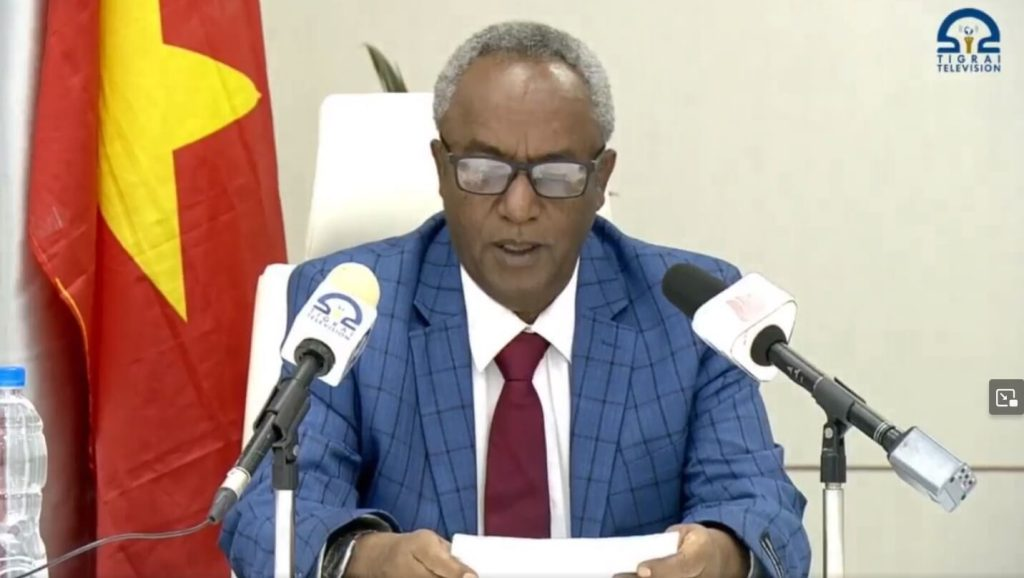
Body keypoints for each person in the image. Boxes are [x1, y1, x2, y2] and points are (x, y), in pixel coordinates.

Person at [220, 20, 811, 578]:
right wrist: (368, 560)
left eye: (556, 174)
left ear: (601, 179)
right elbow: (269, 516)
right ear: (441, 169)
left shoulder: (688, 315)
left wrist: (722, 554)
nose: (519, 207)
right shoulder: (355, 306)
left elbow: (764, 510)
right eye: (484, 170)